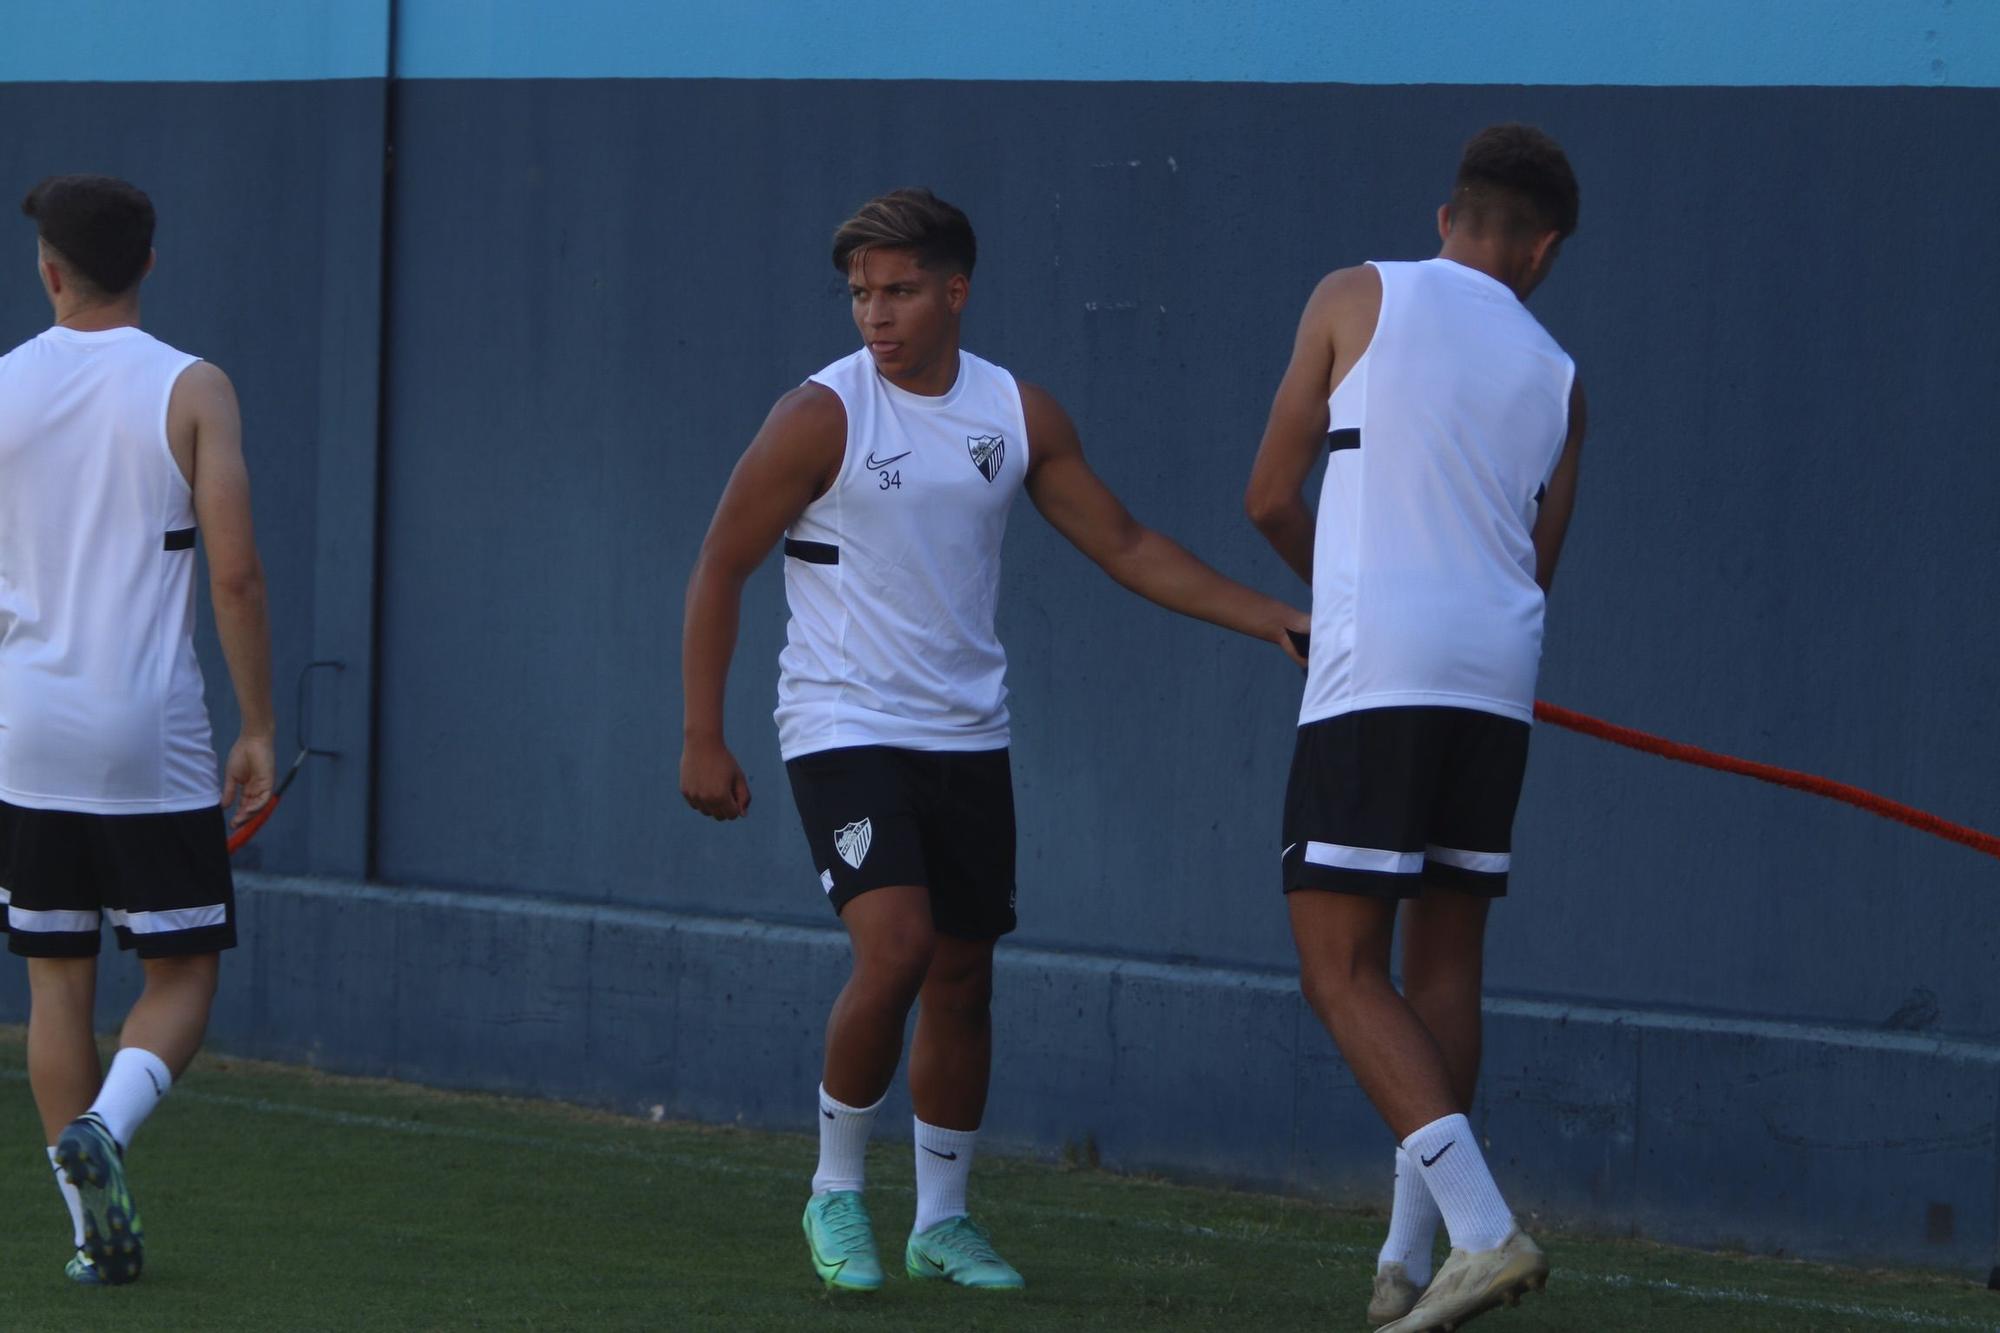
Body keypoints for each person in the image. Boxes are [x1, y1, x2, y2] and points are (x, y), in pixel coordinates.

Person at [681, 187, 1307, 1294]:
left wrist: (1270, 616)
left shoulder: (1016, 413)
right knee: (900, 947)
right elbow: (720, 563)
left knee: (964, 976)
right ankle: (833, 1192)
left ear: (955, 291)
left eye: (901, 290)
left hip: (968, 734)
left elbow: (1123, 542)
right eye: (862, 294)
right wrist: (702, 733)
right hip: (841, 722)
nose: (876, 314)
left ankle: (943, 1221)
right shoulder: (819, 416)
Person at [1244, 125, 1585, 1332]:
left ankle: (1484, 1233)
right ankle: (1401, 1261)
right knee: (1443, 964)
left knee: (1338, 968)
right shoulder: (1558, 376)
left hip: (1375, 666)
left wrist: (1340, 596)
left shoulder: (1355, 292)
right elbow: (1528, 569)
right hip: (1495, 677)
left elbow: (1267, 495)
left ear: (1448, 217)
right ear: (1540, 250)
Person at [0, 174, 274, 1286]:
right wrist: (256, 722)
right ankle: (108, 1129)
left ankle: (86, 1234)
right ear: (149, 263)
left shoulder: (3, 385)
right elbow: (237, 575)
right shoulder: (192, 387)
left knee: (54, 986)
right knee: (182, 972)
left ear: (49, 269)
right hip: (145, 729)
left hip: (24, 728)